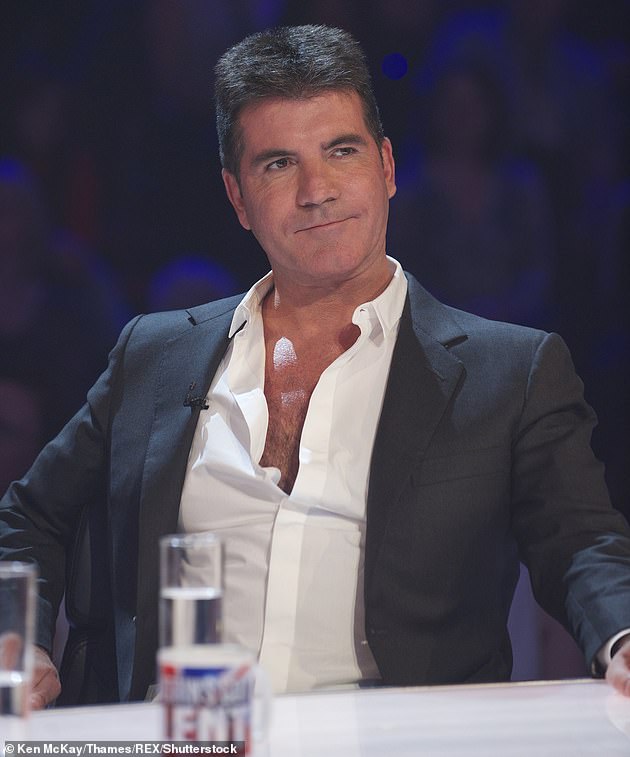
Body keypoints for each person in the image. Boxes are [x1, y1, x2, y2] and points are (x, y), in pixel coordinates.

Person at [2, 25, 630, 709]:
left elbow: (583, 544)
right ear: (237, 198)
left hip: (397, 739)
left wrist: (621, 637)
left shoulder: (510, 372)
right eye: (278, 164)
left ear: (386, 168)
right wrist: (17, 637)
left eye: (341, 151)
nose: (316, 190)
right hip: (180, 733)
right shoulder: (153, 354)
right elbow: (28, 518)